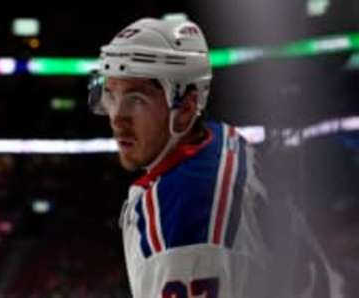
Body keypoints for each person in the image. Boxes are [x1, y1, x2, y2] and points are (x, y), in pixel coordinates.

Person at [88, 17, 340, 298]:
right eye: (110, 95)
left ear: (186, 107)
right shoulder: (219, 139)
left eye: (136, 99)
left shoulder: (187, 226)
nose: (117, 119)